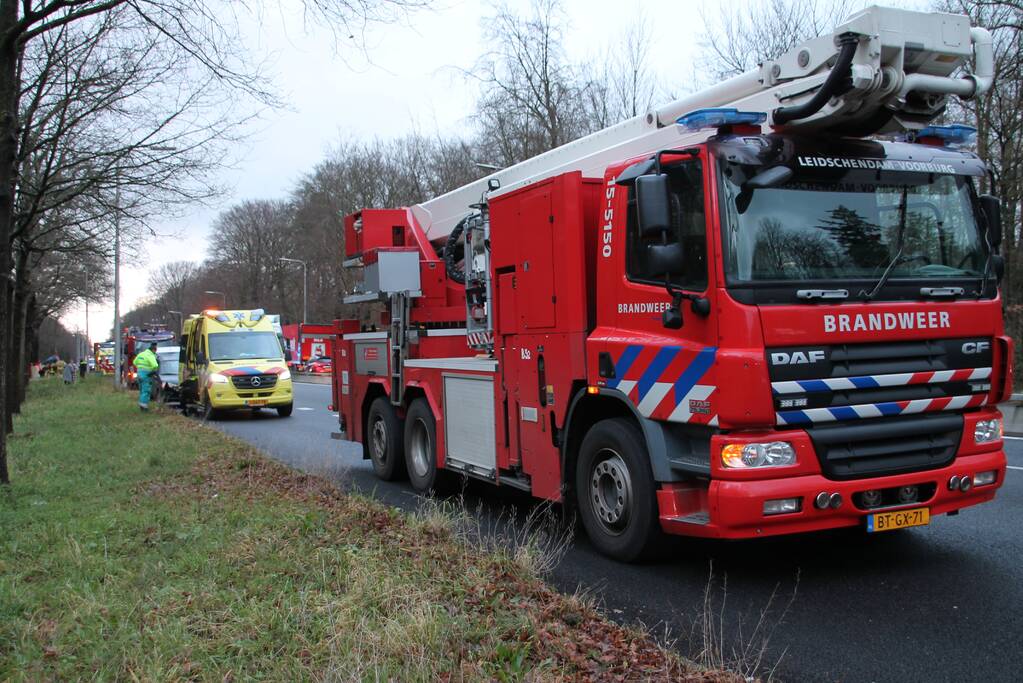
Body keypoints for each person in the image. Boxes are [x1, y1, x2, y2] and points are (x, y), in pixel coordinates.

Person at [133, 343, 160, 411]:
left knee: (142, 391)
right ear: (153, 350)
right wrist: (153, 371)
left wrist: (140, 368)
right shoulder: (150, 355)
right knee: (146, 391)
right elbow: (155, 365)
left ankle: (142, 404)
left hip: (139, 374)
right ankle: (144, 407)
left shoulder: (141, 354)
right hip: (146, 375)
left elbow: (134, 362)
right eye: (155, 351)